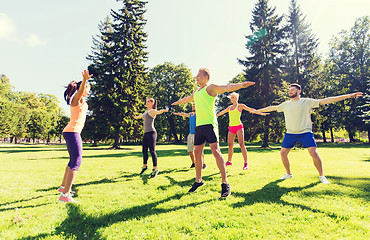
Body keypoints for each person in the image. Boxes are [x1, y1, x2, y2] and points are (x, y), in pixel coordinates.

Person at [256, 83, 363, 184]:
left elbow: (326, 100)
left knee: (313, 153)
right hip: (290, 133)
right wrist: (256, 111)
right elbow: (272, 108)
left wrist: (349, 96)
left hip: (305, 132)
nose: (290, 92)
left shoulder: (306, 102)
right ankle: (288, 174)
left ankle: (321, 176)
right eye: (289, 90)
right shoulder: (285, 104)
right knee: (283, 153)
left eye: (292, 90)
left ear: (299, 91)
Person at [172, 68, 255, 197]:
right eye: (196, 76)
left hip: (210, 124)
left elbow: (226, 87)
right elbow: (187, 99)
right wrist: (178, 102)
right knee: (197, 152)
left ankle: (225, 183)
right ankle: (198, 180)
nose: (196, 78)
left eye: (199, 76)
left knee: (216, 151)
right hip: (199, 126)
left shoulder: (210, 88)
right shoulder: (196, 93)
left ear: (206, 77)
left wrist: (241, 85)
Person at [58, 70, 92, 203]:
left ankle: (63, 188)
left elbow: (81, 93)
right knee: (76, 161)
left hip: (71, 132)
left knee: (72, 160)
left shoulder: (81, 101)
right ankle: (65, 195)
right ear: (82, 88)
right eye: (88, 89)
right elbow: (80, 91)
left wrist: (84, 83)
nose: (89, 91)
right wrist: (84, 81)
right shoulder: (76, 100)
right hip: (72, 132)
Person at [216, 92, 268, 170]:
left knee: (241, 144)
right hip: (231, 127)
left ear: (236, 98)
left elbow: (251, 109)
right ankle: (229, 161)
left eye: (233, 97)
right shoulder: (229, 107)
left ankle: (246, 163)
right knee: (230, 145)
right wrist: (214, 116)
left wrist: (260, 113)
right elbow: (222, 112)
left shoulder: (240, 106)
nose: (232, 98)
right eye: (231, 97)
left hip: (239, 127)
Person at [134, 98, 168, 178]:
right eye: (147, 101)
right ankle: (144, 167)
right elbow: (141, 116)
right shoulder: (146, 112)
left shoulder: (152, 111)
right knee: (144, 150)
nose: (148, 102)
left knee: (152, 151)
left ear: (153, 103)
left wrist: (163, 110)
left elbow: (158, 112)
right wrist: (136, 117)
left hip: (152, 133)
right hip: (146, 133)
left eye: (150, 101)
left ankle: (155, 169)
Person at [173, 103, 207, 169]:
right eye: (193, 106)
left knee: (199, 150)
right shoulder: (190, 114)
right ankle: (193, 163)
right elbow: (183, 114)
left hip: (197, 134)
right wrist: (176, 113)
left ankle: (203, 163)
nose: (193, 107)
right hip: (190, 134)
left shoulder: (199, 114)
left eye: (194, 105)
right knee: (190, 150)